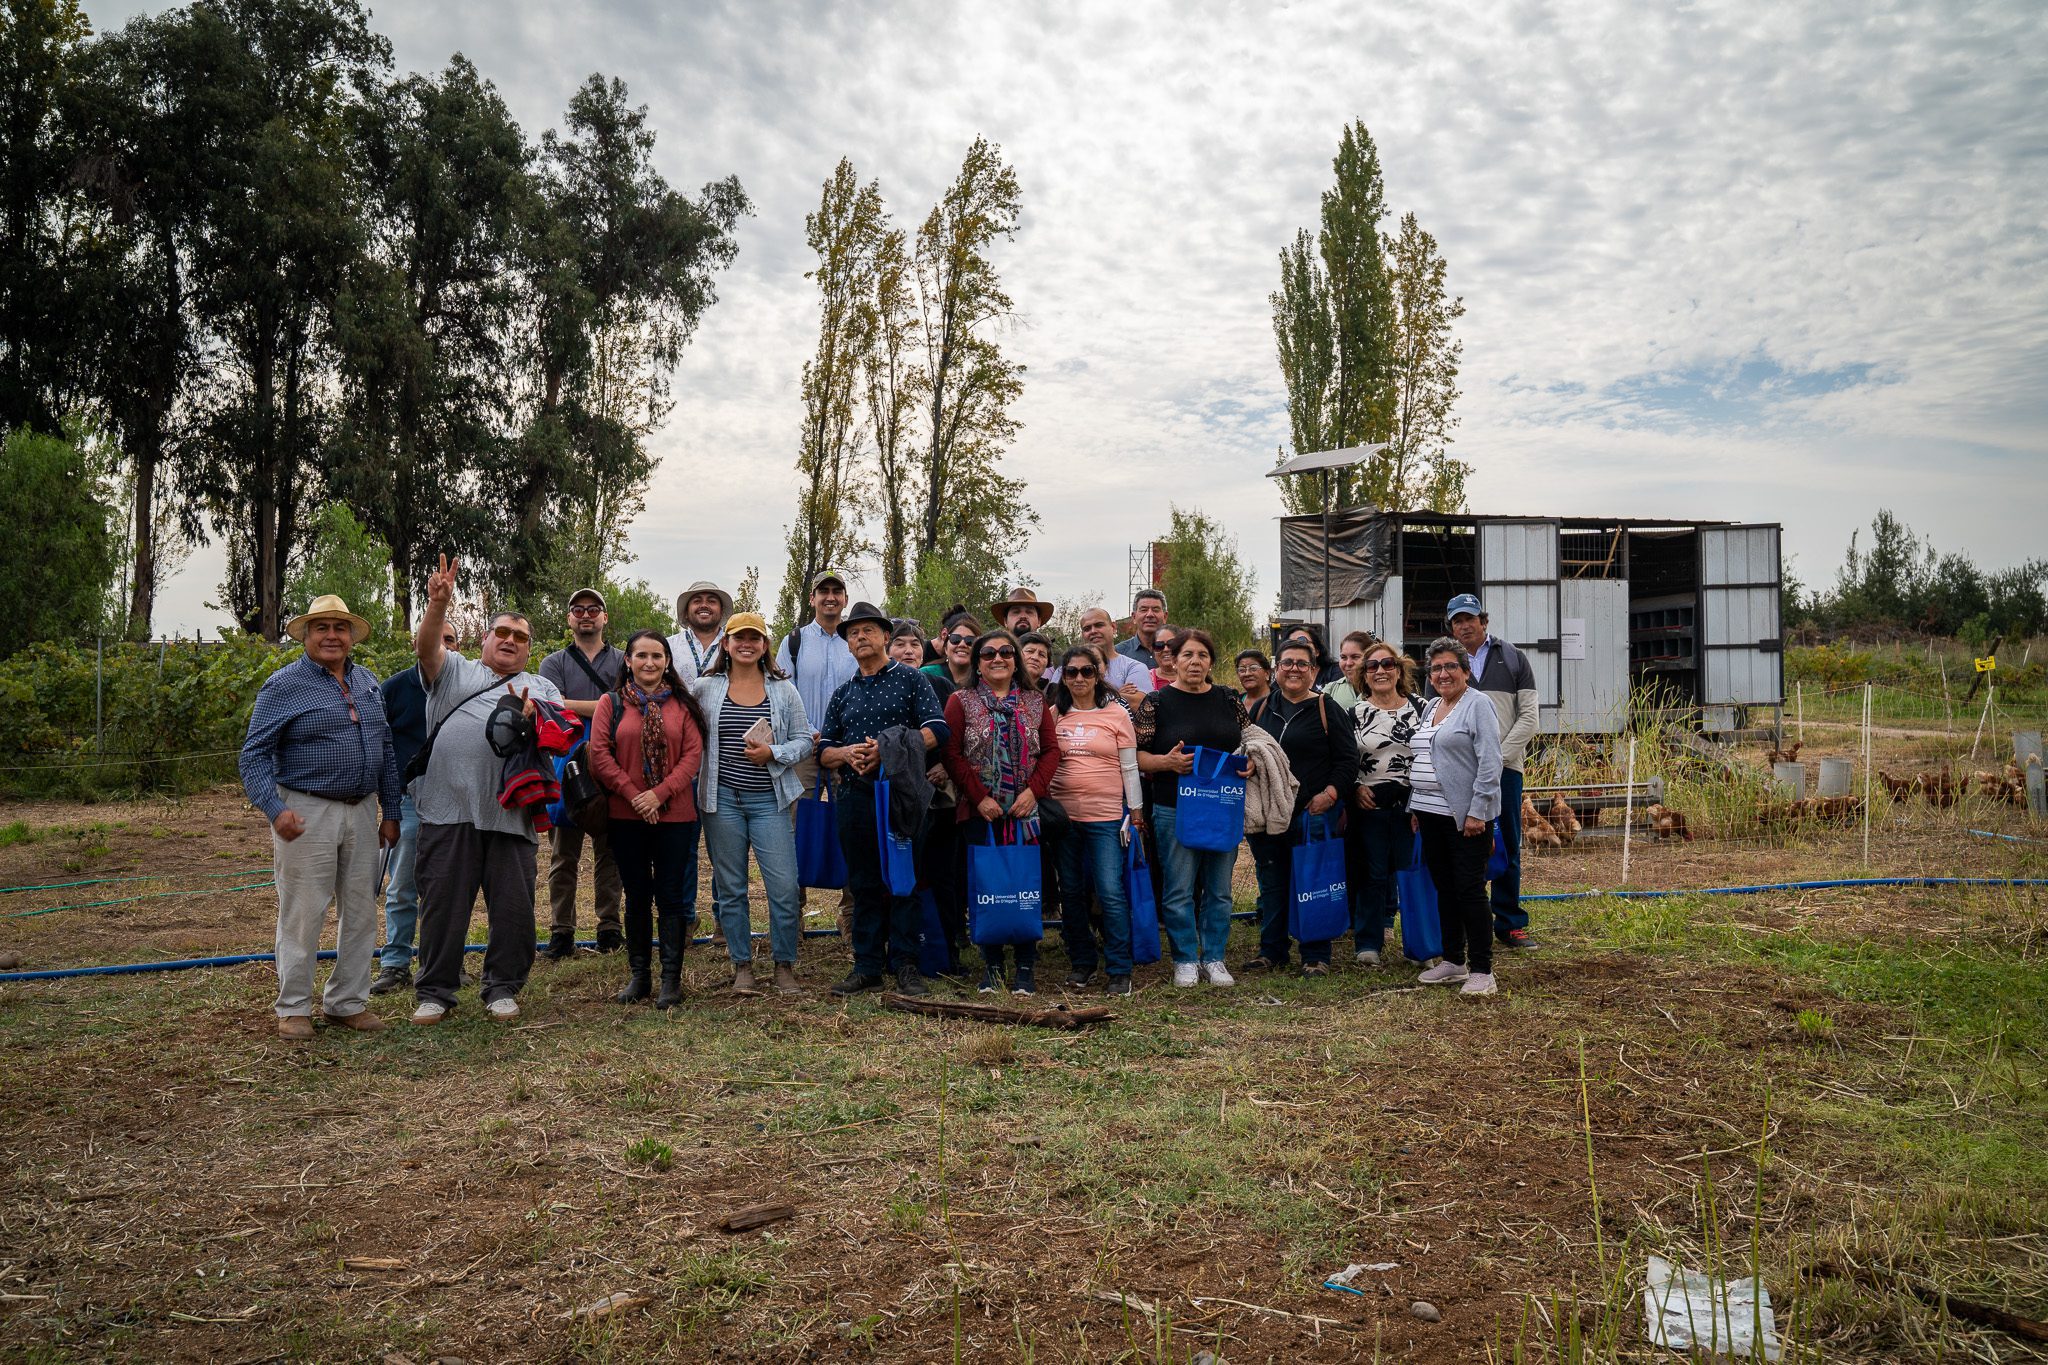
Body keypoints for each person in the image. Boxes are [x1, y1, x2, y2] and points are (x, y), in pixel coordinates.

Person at [409, 555, 566, 1025]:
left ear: (529, 647)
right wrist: (438, 605)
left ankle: (502, 987)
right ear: (486, 638)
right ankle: (435, 991)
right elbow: (425, 649)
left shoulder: (541, 685)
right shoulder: (456, 671)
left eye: (520, 637)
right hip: (447, 807)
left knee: (514, 907)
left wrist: (536, 717)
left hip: (512, 813)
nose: (510, 642)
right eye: (503, 633)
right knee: (442, 904)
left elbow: (557, 737)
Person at [238, 595, 402, 1040]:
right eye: (322, 628)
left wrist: (392, 811)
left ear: (351, 636)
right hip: (307, 809)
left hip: (363, 810)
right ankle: (293, 1007)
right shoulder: (284, 685)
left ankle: (347, 1002)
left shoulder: (368, 682)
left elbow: (386, 750)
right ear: (307, 635)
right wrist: (275, 810)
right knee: (304, 910)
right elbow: (253, 756)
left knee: (362, 910)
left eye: (340, 628)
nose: (332, 636)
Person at [817, 601, 950, 996]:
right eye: (853, 632)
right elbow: (824, 749)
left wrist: (888, 751)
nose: (860, 637)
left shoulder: (911, 680)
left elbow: (937, 731)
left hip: (902, 795)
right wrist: (847, 753)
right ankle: (867, 965)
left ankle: (906, 963)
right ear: (848, 644)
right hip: (855, 796)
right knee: (863, 882)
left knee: (903, 880)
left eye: (868, 630)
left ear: (886, 637)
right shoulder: (843, 693)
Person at [693, 613, 812, 997]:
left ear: (765, 646)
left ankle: (783, 965)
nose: (746, 644)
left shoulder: (783, 690)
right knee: (731, 886)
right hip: (722, 800)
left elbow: (805, 740)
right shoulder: (705, 687)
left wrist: (773, 752)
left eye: (754, 638)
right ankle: (741, 964)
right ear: (725, 644)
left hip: (770, 801)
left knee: (783, 886)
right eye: (738, 637)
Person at [941, 628, 1062, 996]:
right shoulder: (960, 702)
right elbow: (952, 753)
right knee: (987, 886)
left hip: (1026, 813)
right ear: (977, 663)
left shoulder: (1034, 701)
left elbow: (1052, 751)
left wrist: (1032, 792)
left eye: (1006, 653)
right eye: (989, 653)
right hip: (981, 812)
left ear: (1016, 661)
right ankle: (992, 965)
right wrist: (979, 797)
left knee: (1025, 884)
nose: (998, 658)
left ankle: (1026, 964)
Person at [589, 631, 706, 1008]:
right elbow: (600, 755)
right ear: (628, 661)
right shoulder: (612, 703)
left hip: (676, 815)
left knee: (671, 897)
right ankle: (639, 976)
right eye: (641, 655)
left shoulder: (683, 706)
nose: (649, 662)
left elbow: (692, 757)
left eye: (657, 655)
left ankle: (670, 980)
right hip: (626, 814)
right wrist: (634, 794)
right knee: (637, 895)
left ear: (667, 661)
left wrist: (659, 794)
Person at [1134, 628, 1254, 988]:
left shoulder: (1229, 698)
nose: (1195, 661)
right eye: (1187, 655)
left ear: (1211, 662)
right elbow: (1137, 757)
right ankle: (1185, 958)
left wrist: (1250, 762)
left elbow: (1252, 740)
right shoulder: (1156, 702)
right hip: (1174, 806)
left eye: (1202, 655)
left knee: (1219, 888)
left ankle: (1214, 957)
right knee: (1178, 889)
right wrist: (1166, 763)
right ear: (1172, 659)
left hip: (1223, 805)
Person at [1242, 640, 1358, 976]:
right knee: (1273, 883)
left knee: (1313, 881)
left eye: (1302, 664)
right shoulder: (1261, 709)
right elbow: (1245, 749)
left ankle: (1315, 954)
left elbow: (1348, 760)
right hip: (1269, 813)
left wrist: (1331, 794)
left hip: (1313, 813)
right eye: (1288, 662)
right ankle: (1272, 951)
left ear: (1314, 671)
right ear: (1276, 669)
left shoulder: (1327, 708)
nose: (1294, 669)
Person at [1410, 636, 1504, 997]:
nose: (1443, 673)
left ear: (1466, 671)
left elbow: (1490, 761)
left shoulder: (1477, 704)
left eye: (1451, 666)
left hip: (1466, 818)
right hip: (1429, 814)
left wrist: (1478, 810)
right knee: (1445, 889)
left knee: (1469, 890)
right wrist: (1414, 807)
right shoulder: (1431, 705)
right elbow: (1423, 758)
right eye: (1436, 668)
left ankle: (1482, 970)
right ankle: (1453, 960)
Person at [1048, 644, 1143, 994]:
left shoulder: (1117, 713)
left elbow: (1130, 767)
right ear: (1063, 676)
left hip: (1106, 817)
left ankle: (1119, 967)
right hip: (1064, 818)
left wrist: (1136, 813)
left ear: (1098, 674)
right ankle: (1082, 963)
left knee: (1110, 891)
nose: (1079, 678)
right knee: (1070, 892)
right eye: (1071, 672)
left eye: (1086, 671)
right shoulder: (1055, 714)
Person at [1445, 594, 1539, 950]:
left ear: (1483, 620)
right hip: (1458, 772)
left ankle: (1510, 922)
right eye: (1457, 621)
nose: (1464, 626)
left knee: (1507, 843)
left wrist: (1495, 759)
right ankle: (1469, 919)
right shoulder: (1444, 663)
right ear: (1451, 627)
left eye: (1470, 618)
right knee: (1461, 846)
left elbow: (1529, 717)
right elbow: (1433, 714)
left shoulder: (1513, 658)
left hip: (1505, 768)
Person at [369, 620, 457, 997]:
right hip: (407, 801)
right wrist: (387, 802)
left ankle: (443, 963)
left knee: (448, 887)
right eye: (436, 638)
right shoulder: (393, 689)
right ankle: (395, 963)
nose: (442, 645)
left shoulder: (466, 687)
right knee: (403, 885)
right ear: (418, 643)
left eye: (449, 640)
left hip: (454, 801)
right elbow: (378, 747)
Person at [537, 587, 625, 959]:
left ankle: (609, 927)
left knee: (611, 851)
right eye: (578, 610)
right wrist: (606, 705)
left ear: (605, 617)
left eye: (594, 609)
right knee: (563, 853)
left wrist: (578, 706)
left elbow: (629, 703)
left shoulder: (623, 658)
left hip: (612, 759)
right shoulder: (553, 662)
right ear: (569, 618)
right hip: (565, 762)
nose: (586, 615)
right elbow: (550, 707)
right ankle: (561, 931)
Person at [1348, 641, 1426, 966]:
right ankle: (1368, 944)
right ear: (1364, 676)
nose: (1380, 670)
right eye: (1372, 666)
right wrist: (1353, 787)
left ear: (1399, 670)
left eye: (1388, 664)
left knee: (1413, 874)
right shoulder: (1353, 713)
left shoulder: (1422, 708)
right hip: (1370, 803)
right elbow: (1342, 757)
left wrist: (1424, 802)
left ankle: (1422, 944)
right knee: (1373, 875)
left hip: (1414, 805)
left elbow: (1434, 755)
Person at [897, 621, 966, 967]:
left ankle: (946, 948)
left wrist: (945, 769)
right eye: (900, 644)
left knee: (943, 874)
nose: (909, 650)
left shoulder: (940, 685)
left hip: (939, 798)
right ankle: (901, 950)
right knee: (902, 874)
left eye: (914, 644)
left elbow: (958, 737)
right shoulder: (879, 686)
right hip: (896, 800)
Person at [774, 570, 859, 788]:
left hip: (848, 748)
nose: (830, 597)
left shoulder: (858, 641)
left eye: (837, 592)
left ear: (845, 599)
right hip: (805, 750)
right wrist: (811, 733)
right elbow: (782, 694)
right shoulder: (794, 641)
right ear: (812, 599)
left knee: (847, 819)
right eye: (823, 591)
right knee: (800, 818)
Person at [1065, 606, 1153, 705]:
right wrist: (1117, 693)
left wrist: (1083, 694)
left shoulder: (1133, 667)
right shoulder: (1068, 668)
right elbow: (1060, 701)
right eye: (1087, 628)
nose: (1093, 631)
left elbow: (1138, 704)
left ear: (1113, 627)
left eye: (1099, 625)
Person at [668, 580, 732, 683]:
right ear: (686, 612)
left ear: (722, 611)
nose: (704, 605)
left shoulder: (734, 647)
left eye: (711, 601)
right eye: (697, 601)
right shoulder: (668, 646)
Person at [923, 614, 980, 693]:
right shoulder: (925, 675)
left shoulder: (986, 679)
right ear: (946, 647)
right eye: (955, 639)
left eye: (970, 641)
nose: (962, 644)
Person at [1324, 631, 1375, 712]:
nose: (1348, 663)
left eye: (1355, 657)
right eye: (1343, 657)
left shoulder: (1382, 688)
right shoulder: (1330, 690)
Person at [1117, 588, 1169, 669]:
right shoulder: (1119, 653)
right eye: (1144, 610)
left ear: (1165, 617)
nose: (1150, 614)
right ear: (1134, 617)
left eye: (1155, 610)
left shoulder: (1178, 650)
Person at [989, 587, 1054, 637]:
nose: (1023, 616)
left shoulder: (1049, 653)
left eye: (1029, 612)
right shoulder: (992, 652)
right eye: (1016, 612)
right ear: (1005, 621)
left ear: (1039, 621)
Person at [1147, 625, 1181, 691]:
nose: (1166, 649)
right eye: (1159, 646)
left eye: (1171, 644)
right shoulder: (1144, 678)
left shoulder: (1193, 676)